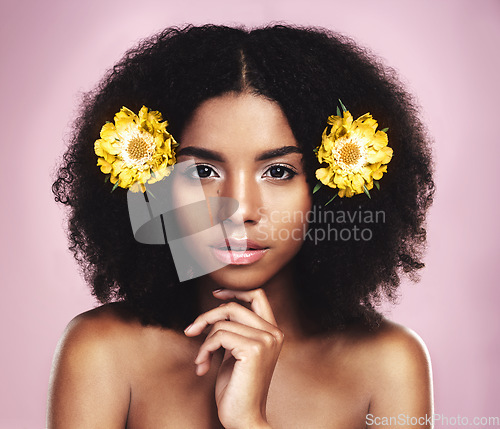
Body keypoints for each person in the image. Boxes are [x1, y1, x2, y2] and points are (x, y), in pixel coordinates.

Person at [48, 24, 435, 428]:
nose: (239, 209)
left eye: (279, 171)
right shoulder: (101, 350)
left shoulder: (389, 363)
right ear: (153, 183)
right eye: (202, 170)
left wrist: (248, 421)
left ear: (331, 189)